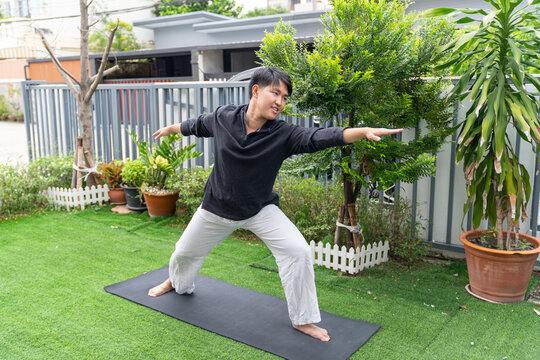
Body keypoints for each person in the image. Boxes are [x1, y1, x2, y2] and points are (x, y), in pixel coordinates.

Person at [148, 67, 402, 342]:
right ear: (256, 90)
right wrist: (171, 129)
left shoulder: (283, 134)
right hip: (216, 208)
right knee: (184, 253)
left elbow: (319, 137)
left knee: (298, 251)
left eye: (285, 96)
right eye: (275, 93)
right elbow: (196, 125)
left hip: (259, 209)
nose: (281, 101)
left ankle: (303, 319)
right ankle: (177, 282)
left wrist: (361, 131)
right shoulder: (224, 117)